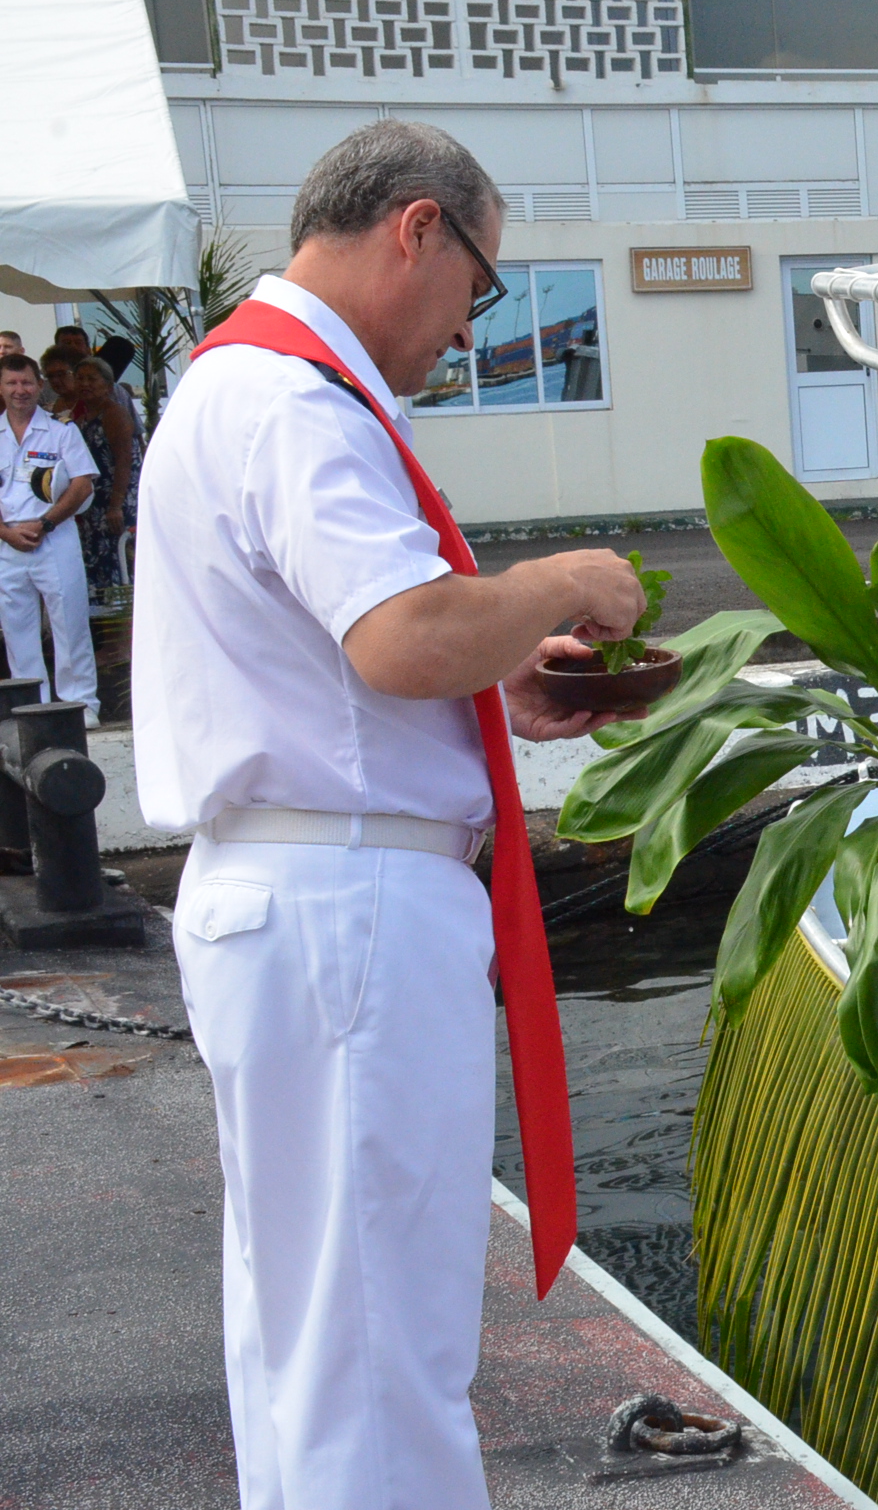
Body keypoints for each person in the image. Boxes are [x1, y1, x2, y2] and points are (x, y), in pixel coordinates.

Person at [133, 119, 646, 1510]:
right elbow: (404, 634)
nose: (470, 330)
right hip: (345, 907)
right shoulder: (298, 403)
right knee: (377, 1347)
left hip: (293, 889)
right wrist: (557, 585)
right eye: (480, 287)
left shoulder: (235, 385)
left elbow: (352, 655)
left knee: (310, 1335)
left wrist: (499, 673)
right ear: (418, 229)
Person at [0, 353, 98, 722]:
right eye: (11, 383)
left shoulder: (61, 431)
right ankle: (34, 710)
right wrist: (6, 533)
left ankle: (81, 705)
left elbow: (82, 484)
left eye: (27, 382)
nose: (20, 390)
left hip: (54, 535)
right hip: (8, 541)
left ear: (39, 386)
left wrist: (45, 524)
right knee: (18, 631)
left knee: (70, 624)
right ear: (0, 388)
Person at [64, 355, 136, 600]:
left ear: (107, 385)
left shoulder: (114, 414)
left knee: (119, 559)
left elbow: (124, 461)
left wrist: (115, 505)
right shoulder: (80, 417)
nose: (85, 384)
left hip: (116, 500)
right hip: (93, 504)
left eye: (91, 379)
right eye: (80, 378)